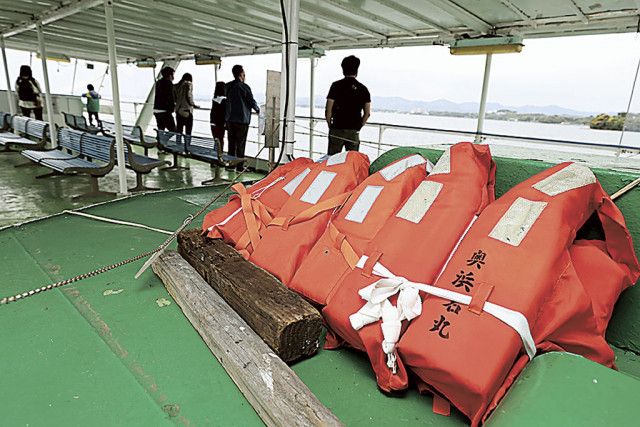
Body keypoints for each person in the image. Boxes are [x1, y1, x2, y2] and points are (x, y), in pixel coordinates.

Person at [325, 55, 371, 155]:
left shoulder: (335, 86)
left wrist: (330, 125)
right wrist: (358, 127)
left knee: (332, 159)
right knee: (352, 160)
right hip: (353, 130)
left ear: (343, 69)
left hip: (337, 128)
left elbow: (328, 109)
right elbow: (367, 113)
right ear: (357, 70)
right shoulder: (363, 89)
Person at [226, 64, 260, 171]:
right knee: (240, 144)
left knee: (231, 143)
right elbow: (251, 101)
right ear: (241, 74)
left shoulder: (227, 86)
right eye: (244, 74)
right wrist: (258, 110)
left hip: (230, 119)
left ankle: (231, 165)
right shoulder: (244, 87)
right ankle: (240, 167)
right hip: (242, 120)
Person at [153, 66, 176, 131]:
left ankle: (161, 137)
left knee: (161, 130)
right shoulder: (169, 83)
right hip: (164, 111)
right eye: (172, 74)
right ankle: (165, 138)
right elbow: (170, 97)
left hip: (157, 110)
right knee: (173, 130)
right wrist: (173, 108)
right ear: (170, 75)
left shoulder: (158, 82)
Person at [210, 81, 227, 158]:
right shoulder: (224, 100)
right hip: (220, 124)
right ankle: (219, 158)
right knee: (220, 141)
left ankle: (214, 157)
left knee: (216, 141)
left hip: (213, 123)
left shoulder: (214, 99)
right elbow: (224, 113)